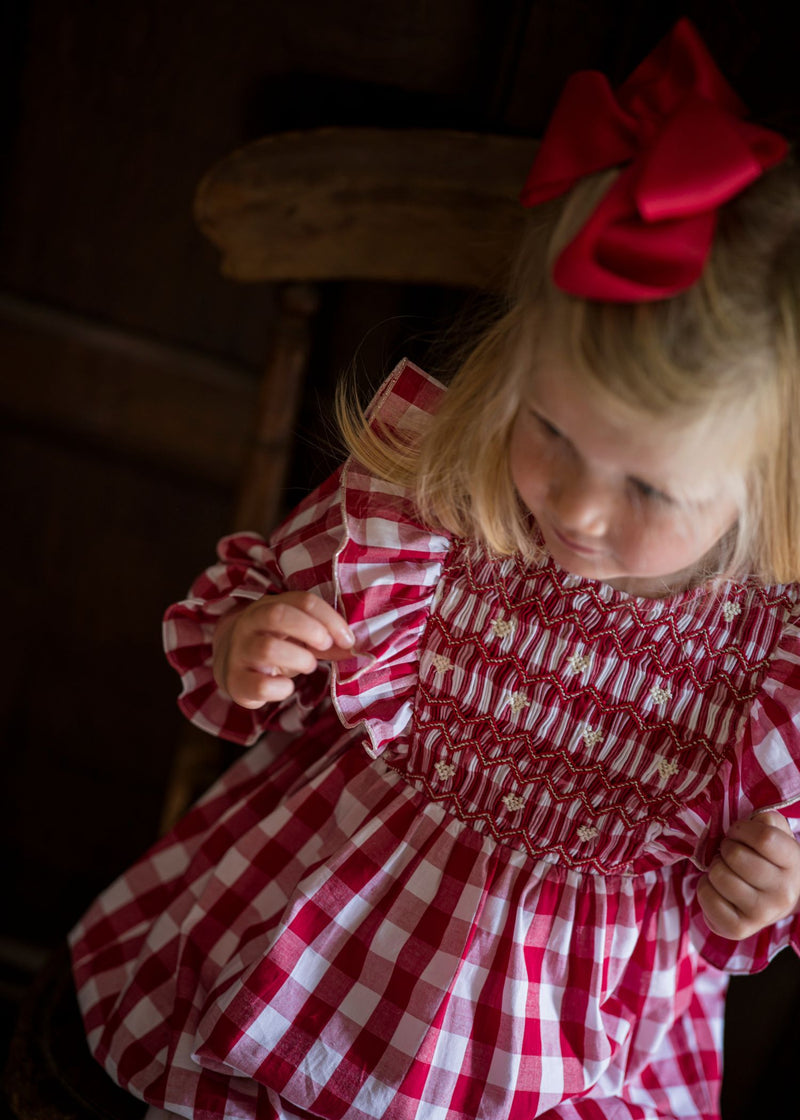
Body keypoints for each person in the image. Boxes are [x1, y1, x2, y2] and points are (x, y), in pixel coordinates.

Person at [70, 18, 800, 1120]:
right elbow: (257, 631)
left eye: (649, 491)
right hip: (304, 953)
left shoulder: (769, 655)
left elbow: (764, 877)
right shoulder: (430, 489)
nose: (577, 506)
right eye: (547, 430)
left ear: (766, 482)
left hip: (553, 1053)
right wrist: (251, 645)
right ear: (514, 369)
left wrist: (766, 890)